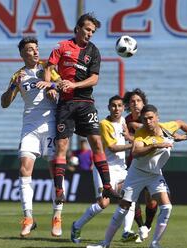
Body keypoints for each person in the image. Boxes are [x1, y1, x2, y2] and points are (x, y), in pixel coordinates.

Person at [87, 104, 187, 248]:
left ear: (157, 117)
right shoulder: (141, 132)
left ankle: (155, 244)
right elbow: (136, 151)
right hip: (136, 174)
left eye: (151, 118)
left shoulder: (167, 128)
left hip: (155, 175)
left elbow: (181, 123)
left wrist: (185, 136)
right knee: (123, 207)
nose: (149, 122)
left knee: (167, 207)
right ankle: (105, 242)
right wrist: (155, 145)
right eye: (145, 119)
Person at [44, 12, 120, 204]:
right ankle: (59, 190)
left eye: (92, 31)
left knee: (96, 142)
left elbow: (94, 78)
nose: (90, 33)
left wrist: (74, 85)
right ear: (77, 28)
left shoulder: (93, 51)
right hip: (66, 104)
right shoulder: (61, 46)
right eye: (87, 29)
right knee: (62, 146)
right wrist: (52, 86)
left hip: (86, 103)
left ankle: (108, 188)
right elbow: (49, 69)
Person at [0, 37, 64, 237]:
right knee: (24, 169)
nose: (35, 52)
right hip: (30, 127)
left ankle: (57, 217)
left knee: (56, 173)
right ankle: (28, 218)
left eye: (36, 48)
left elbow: (63, 85)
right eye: (30, 49)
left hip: (51, 125)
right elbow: (4, 103)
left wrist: (54, 89)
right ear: (22, 54)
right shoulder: (18, 75)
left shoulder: (48, 68)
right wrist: (13, 87)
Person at [71, 95, 137, 244]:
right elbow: (112, 148)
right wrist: (133, 145)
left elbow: (128, 136)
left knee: (129, 196)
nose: (117, 108)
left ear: (123, 108)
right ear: (108, 107)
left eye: (119, 106)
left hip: (121, 168)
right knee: (103, 204)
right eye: (113, 105)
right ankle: (77, 225)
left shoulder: (122, 122)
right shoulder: (104, 124)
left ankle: (127, 231)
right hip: (105, 168)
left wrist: (134, 139)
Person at [123, 88, 157, 242]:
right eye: (132, 101)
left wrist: (132, 134)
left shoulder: (149, 119)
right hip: (133, 162)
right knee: (132, 198)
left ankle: (147, 226)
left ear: (143, 103)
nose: (135, 104)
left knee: (151, 199)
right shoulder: (124, 121)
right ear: (128, 105)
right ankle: (141, 226)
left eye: (138, 101)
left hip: (151, 163)